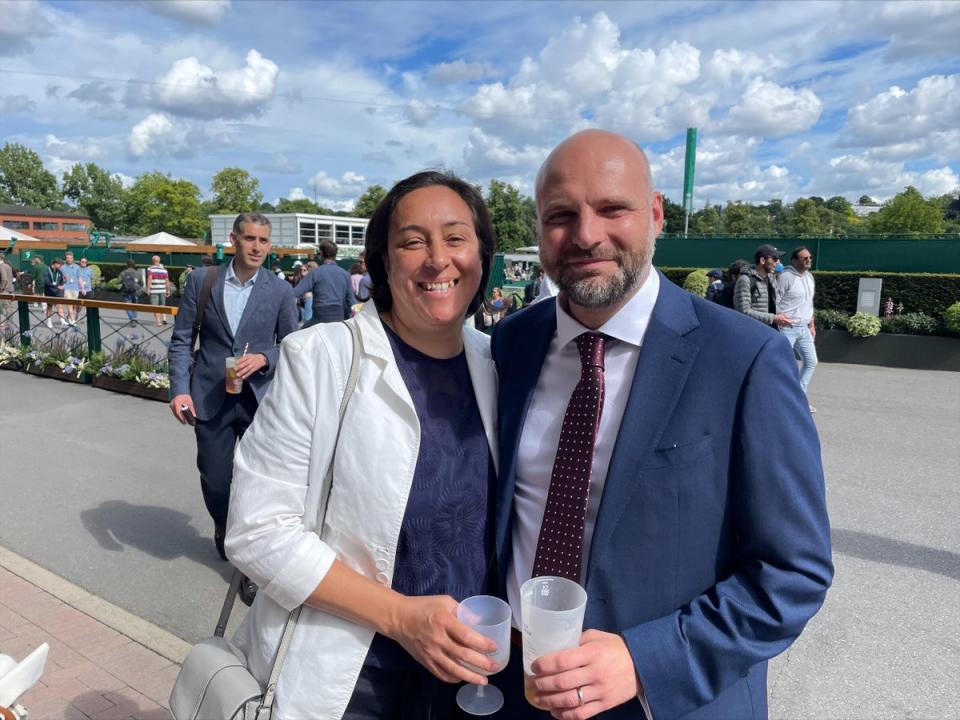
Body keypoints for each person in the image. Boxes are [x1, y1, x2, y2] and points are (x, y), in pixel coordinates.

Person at [491, 130, 832, 720]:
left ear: (654, 215)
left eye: (612, 209)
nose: (586, 234)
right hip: (519, 688)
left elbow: (793, 572)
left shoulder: (744, 358)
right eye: (561, 215)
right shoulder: (512, 344)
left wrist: (647, 661)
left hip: (662, 700)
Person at [225, 171, 500, 719]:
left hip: (467, 675)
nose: (436, 258)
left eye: (455, 237)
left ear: (481, 255)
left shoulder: (497, 364)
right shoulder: (322, 358)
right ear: (383, 260)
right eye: (412, 241)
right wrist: (401, 617)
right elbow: (257, 530)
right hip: (350, 679)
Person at [168, 212, 297, 577]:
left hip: (259, 399)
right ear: (234, 239)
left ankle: (248, 560)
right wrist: (180, 390)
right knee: (216, 480)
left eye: (264, 241)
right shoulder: (202, 281)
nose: (257, 247)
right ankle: (225, 525)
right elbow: (181, 340)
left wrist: (263, 358)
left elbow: (291, 344)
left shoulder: (280, 290)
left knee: (261, 484)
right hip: (210, 395)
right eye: (250, 239)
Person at [778, 246, 818, 412]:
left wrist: (812, 323)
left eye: (809, 257)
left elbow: (809, 303)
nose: (808, 260)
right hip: (787, 328)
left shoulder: (810, 277)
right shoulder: (785, 277)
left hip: (804, 329)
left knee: (811, 362)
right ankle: (780, 402)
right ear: (794, 261)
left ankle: (798, 399)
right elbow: (776, 300)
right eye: (804, 258)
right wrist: (778, 317)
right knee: (784, 366)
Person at [293, 240, 355, 326]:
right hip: (339, 318)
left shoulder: (315, 273)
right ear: (335, 254)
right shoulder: (345, 274)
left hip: (320, 317)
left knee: (299, 335)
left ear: (321, 253)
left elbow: (297, 292)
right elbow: (352, 302)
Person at [734, 244, 792, 330]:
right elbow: (743, 312)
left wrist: (781, 315)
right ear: (762, 260)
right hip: (752, 332)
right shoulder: (745, 280)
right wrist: (774, 318)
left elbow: (773, 304)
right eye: (775, 259)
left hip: (769, 331)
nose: (778, 262)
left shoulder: (771, 279)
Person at [146, 255, 170, 326]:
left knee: (155, 306)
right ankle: (164, 319)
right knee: (162, 305)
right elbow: (167, 280)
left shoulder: (150, 269)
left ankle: (158, 322)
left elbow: (150, 279)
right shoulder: (164, 270)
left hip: (154, 290)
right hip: (162, 290)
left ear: (152, 261)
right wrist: (168, 290)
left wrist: (148, 289)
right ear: (159, 261)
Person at [43, 257, 65, 329]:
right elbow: (46, 282)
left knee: (59, 305)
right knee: (49, 307)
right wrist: (56, 286)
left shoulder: (59, 272)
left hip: (57, 292)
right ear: (55, 264)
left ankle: (62, 321)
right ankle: (49, 321)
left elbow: (61, 281)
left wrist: (62, 285)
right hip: (49, 291)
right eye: (60, 265)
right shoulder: (47, 270)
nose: (60, 266)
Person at [118, 259, 143, 324]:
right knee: (135, 306)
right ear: (134, 265)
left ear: (127, 265)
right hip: (135, 292)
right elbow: (142, 283)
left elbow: (118, 281)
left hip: (126, 292)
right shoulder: (138, 273)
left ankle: (132, 319)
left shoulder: (123, 273)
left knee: (127, 306)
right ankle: (134, 318)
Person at [60, 251, 81, 326]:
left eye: (70, 258)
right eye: (67, 258)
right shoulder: (62, 268)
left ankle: (69, 317)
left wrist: (83, 288)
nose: (69, 259)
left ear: (73, 258)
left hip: (75, 288)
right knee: (69, 304)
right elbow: (59, 278)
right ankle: (73, 320)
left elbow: (79, 278)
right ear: (65, 259)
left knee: (74, 305)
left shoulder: (77, 267)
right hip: (67, 288)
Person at [0, 252, 14, 332]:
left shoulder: (1, 266)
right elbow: (10, 278)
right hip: (9, 289)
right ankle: (8, 324)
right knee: (9, 308)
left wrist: (1, 288)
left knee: (7, 308)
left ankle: (8, 325)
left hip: (4, 290)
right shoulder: (8, 265)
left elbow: (4, 279)